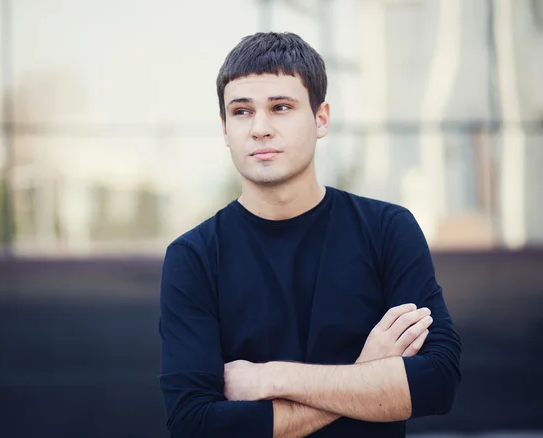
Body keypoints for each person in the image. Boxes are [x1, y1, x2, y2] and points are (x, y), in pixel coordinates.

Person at [158, 32, 461, 437]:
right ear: (225, 129)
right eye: (242, 112)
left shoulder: (387, 230)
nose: (260, 128)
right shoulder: (194, 257)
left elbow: (437, 384)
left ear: (321, 119)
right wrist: (365, 376)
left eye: (281, 107)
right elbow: (196, 426)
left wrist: (273, 379)